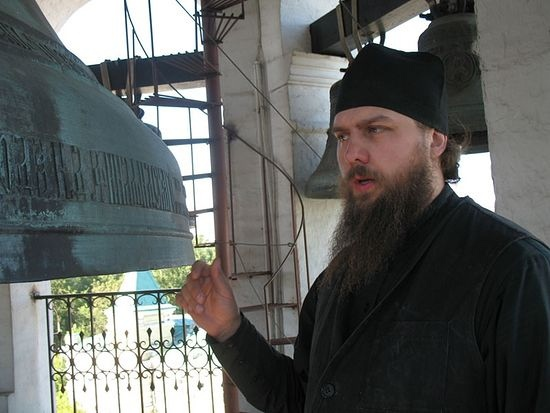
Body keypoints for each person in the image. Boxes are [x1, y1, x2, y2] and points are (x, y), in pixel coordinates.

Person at [176, 44, 550, 412]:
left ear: (435, 140)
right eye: (342, 137)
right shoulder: (336, 280)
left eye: (375, 129)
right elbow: (300, 400)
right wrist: (229, 330)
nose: (352, 153)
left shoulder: (512, 270)